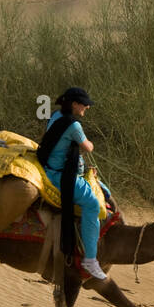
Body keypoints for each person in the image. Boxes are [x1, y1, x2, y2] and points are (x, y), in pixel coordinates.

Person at [36, 87, 107, 280]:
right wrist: (88, 143)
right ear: (75, 105)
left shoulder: (56, 115)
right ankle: (90, 260)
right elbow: (88, 147)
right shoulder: (74, 126)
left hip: (52, 168)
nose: (87, 108)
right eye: (84, 104)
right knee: (92, 205)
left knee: (104, 190)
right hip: (61, 176)